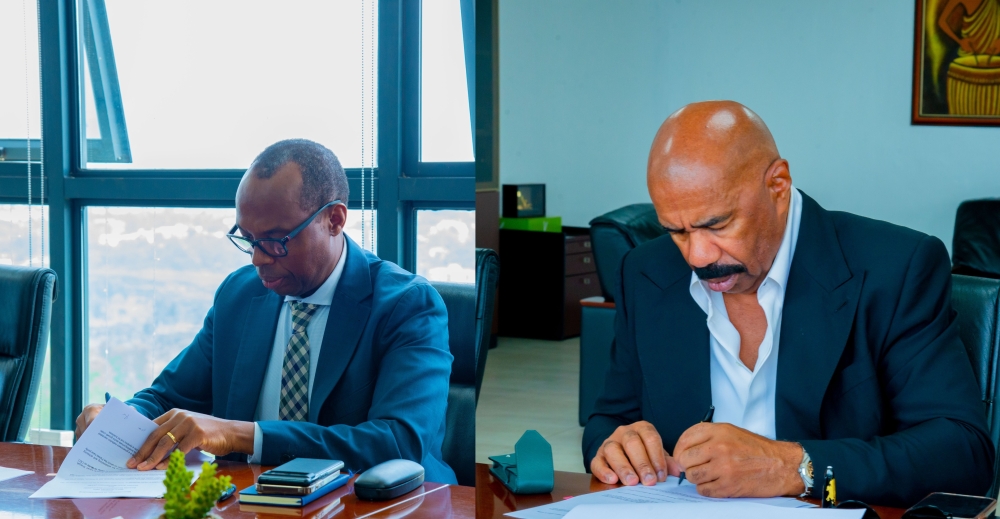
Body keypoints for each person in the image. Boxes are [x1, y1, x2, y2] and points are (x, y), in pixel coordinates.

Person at [583, 101, 993, 506]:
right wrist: (616, 446)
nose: (697, 258)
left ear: (777, 185)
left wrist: (792, 466)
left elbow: (962, 453)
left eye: (717, 224)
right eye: (676, 231)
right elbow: (607, 421)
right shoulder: (646, 272)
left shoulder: (896, 268)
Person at [75, 139, 456, 484]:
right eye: (247, 239)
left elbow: (400, 442)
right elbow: (168, 398)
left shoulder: (407, 306)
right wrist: (116, 422)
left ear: (334, 220)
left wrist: (242, 435)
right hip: (247, 504)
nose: (258, 258)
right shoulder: (239, 296)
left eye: (275, 241)